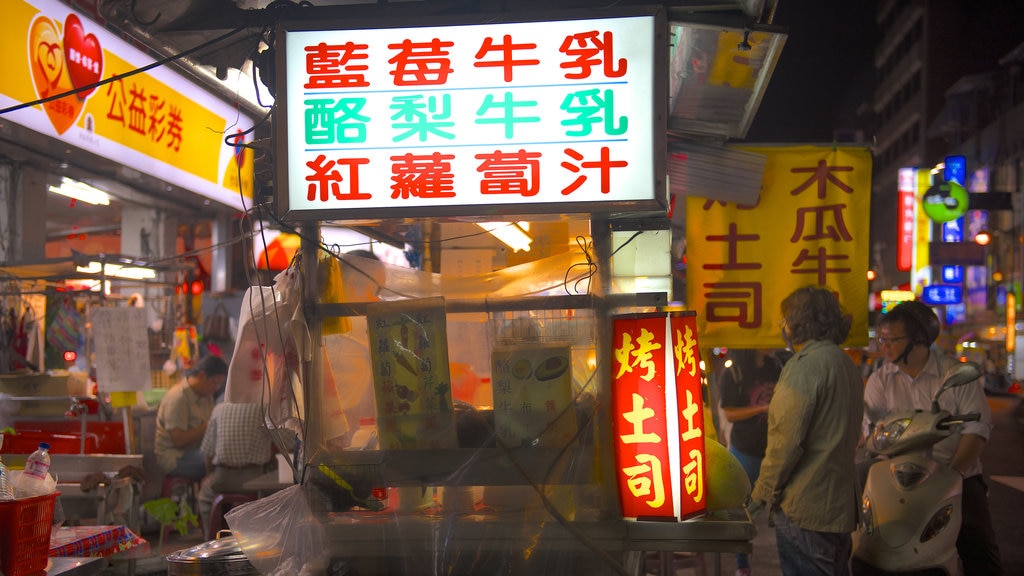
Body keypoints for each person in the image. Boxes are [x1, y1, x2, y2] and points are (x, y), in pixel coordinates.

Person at [862, 301, 1002, 575]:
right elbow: (872, 433)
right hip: (899, 476)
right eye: (882, 338)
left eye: (893, 339)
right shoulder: (880, 380)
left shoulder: (954, 375)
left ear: (918, 339)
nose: (885, 345)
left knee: (980, 548)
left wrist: (953, 474)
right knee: (873, 541)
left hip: (956, 474)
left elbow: (977, 430)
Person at [748, 286, 863, 576]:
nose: (782, 327)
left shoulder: (805, 366)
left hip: (806, 508)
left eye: (785, 319)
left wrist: (759, 496)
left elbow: (785, 442)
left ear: (799, 322)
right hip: (838, 506)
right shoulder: (844, 363)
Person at [720, 349, 781, 576]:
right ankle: (741, 565)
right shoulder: (734, 372)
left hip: (775, 448)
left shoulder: (776, 366)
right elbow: (729, 414)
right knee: (742, 509)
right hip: (745, 449)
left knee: (778, 506)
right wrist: (763, 408)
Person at [197, 402, 275, 528]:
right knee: (277, 492)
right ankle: (264, 535)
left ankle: (210, 537)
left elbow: (208, 454)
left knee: (204, 497)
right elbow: (287, 444)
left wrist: (209, 475)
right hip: (255, 477)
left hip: (222, 479)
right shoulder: (264, 408)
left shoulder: (218, 409)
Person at [155, 355, 228, 481]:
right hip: (175, 457)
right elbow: (177, 440)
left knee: (229, 458)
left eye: (219, 384)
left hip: (197, 451)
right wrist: (206, 426)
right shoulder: (178, 398)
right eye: (214, 382)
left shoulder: (206, 395)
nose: (216, 388)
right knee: (218, 464)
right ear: (201, 376)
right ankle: (208, 499)